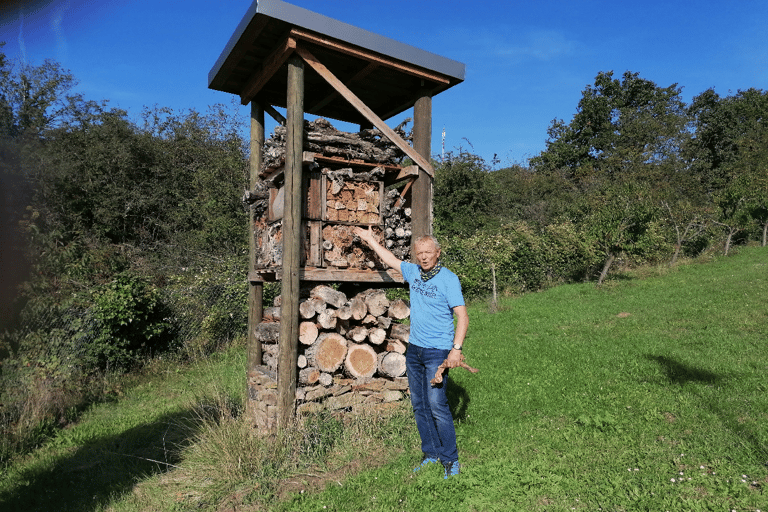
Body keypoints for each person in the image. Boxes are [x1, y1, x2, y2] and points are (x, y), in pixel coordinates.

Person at [353, 226, 468, 479]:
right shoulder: (414, 272)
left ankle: (451, 459)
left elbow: (462, 316)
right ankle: (431, 454)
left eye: (428, 252)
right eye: (420, 253)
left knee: (437, 404)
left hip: (438, 352)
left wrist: (456, 350)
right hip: (414, 350)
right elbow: (390, 259)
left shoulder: (448, 279)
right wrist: (371, 239)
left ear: (438, 253)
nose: (424, 257)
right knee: (419, 404)